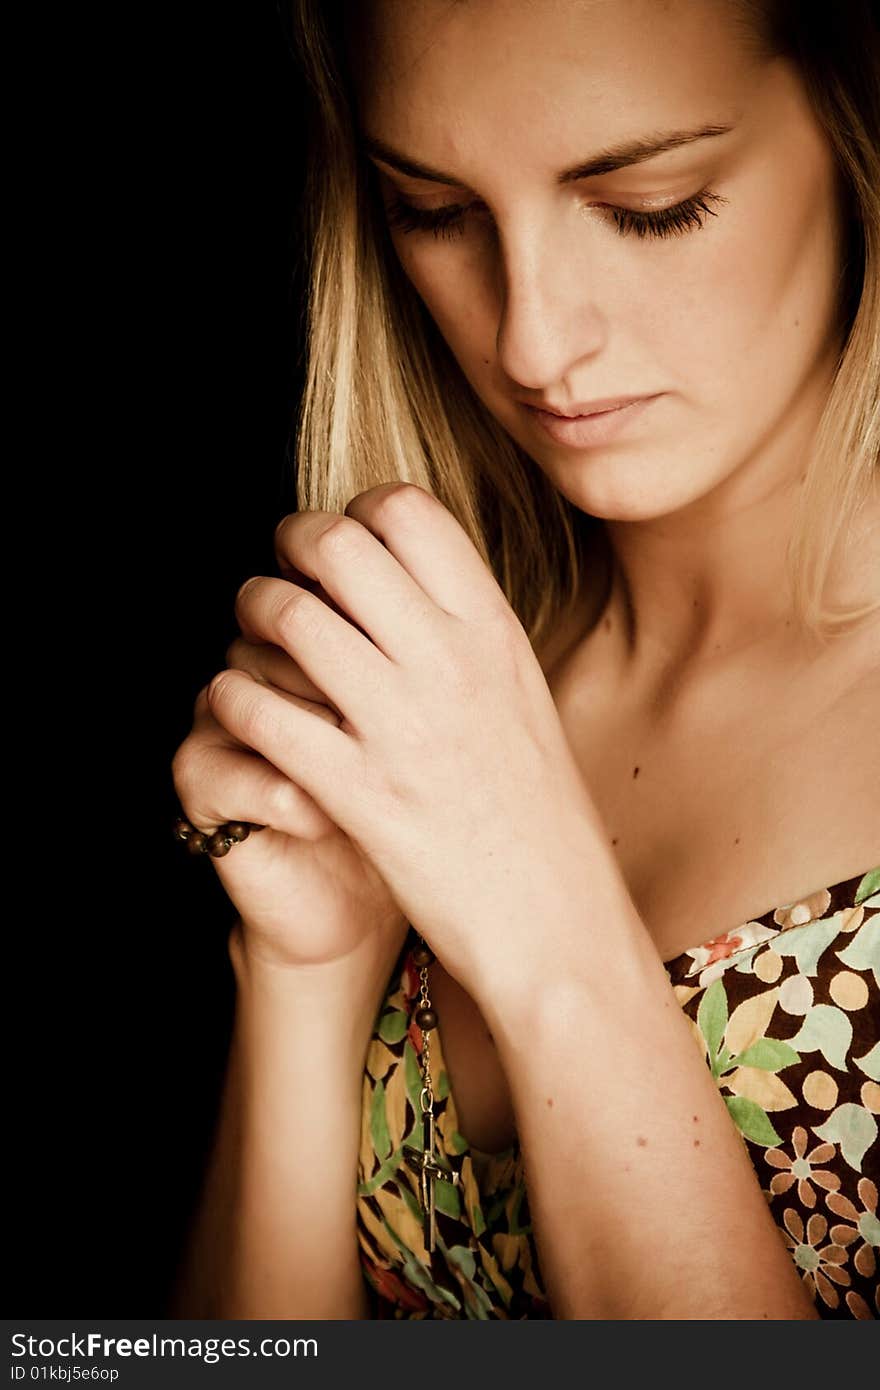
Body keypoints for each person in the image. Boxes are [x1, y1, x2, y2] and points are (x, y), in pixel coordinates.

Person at [169, 0, 879, 1320]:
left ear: (856, 131)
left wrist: (544, 922)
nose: (531, 343)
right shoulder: (436, 709)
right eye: (433, 211)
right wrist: (309, 975)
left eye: (653, 203)